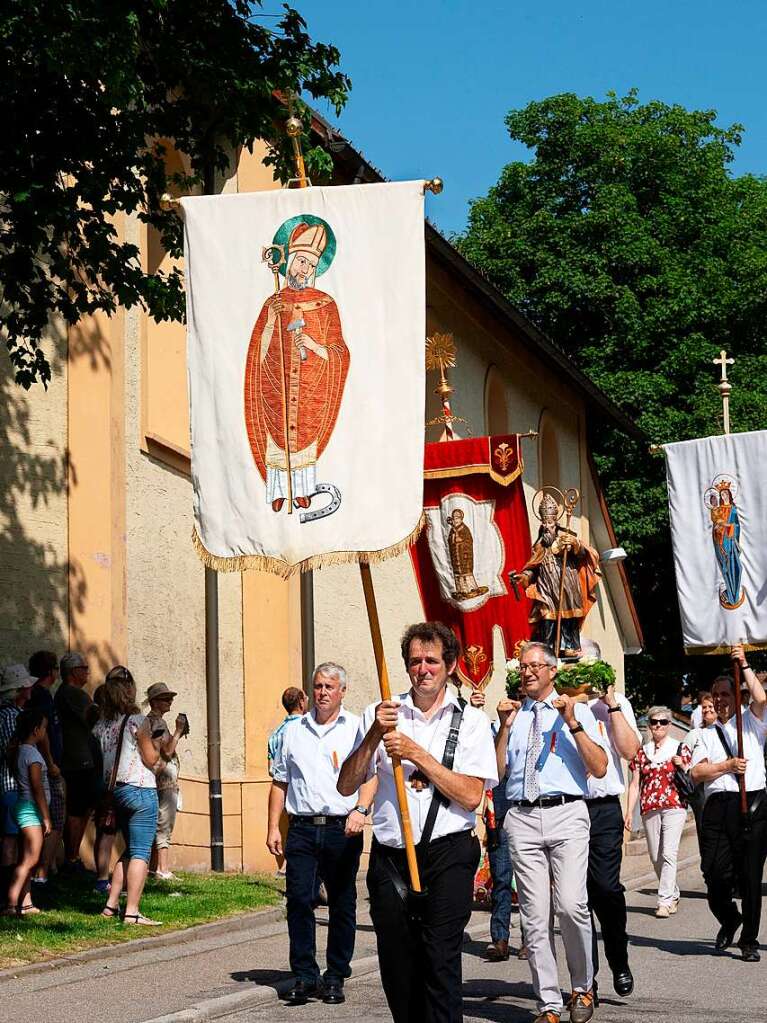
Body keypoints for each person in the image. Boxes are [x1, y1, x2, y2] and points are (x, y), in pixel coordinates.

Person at [339, 622, 498, 1023]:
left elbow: (471, 794)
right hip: (391, 856)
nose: (422, 669)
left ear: (449, 665)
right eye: (414, 661)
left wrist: (417, 753)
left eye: (431, 661)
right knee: (397, 965)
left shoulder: (471, 721)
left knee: (440, 960)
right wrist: (375, 733)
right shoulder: (383, 713)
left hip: (449, 854)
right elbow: (346, 784)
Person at [494, 641, 608, 1023]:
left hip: (566, 812)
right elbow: (495, 772)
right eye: (523, 667)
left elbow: (601, 766)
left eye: (535, 666)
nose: (527, 672)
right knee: (533, 916)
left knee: (572, 906)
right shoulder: (515, 715)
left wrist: (572, 722)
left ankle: (583, 986)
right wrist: (504, 729)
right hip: (523, 817)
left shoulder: (577, 710)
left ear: (552, 671)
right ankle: (549, 1004)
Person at [267, 663, 376, 1007]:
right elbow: (280, 781)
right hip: (300, 827)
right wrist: (273, 826)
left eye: (330, 686)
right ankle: (304, 974)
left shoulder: (356, 727)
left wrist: (361, 810)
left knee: (342, 902)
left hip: (341, 828)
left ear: (343, 690)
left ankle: (335, 975)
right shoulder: (294, 730)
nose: (323, 692)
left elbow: (371, 775)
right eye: (317, 686)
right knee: (299, 899)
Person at [244, 221, 350, 513]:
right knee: (276, 437)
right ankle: (278, 491)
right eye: (301, 261)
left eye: (310, 265)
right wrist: (269, 321)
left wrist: (315, 346)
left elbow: (340, 352)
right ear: (290, 260)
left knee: (304, 438)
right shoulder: (272, 302)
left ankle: (302, 492)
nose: (304, 270)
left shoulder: (326, 305)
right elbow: (256, 353)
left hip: (310, 388)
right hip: (274, 385)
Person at [690, 646, 767, 963]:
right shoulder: (705, 733)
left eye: (725, 693)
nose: (720, 699)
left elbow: (761, 699)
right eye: (715, 695)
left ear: (738, 695)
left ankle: (748, 939)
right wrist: (726, 766)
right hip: (718, 806)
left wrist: (744, 663)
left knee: (750, 876)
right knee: (714, 874)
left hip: (753, 805)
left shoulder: (752, 721)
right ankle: (729, 917)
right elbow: (696, 772)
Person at [584, 651, 641, 1001]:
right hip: (568, 807)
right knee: (574, 901)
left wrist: (611, 704)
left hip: (604, 809)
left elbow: (631, 750)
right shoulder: (556, 704)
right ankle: (585, 981)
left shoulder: (615, 703)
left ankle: (618, 958)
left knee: (605, 890)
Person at [94, 667, 161, 925]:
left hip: (116, 792)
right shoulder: (135, 721)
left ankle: (111, 905)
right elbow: (151, 757)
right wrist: (155, 744)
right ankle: (132, 911)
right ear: (129, 691)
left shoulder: (101, 726)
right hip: (141, 789)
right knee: (142, 852)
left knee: (129, 850)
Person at [511, 493, 600, 657]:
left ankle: (569, 647)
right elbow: (533, 568)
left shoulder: (566, 539)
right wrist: (524, 577)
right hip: (546, 591)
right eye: (544, 522)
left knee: (568, 617)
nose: (546, 526)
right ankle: (547, 649)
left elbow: (582, 555)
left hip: (567, 589)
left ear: (556, 524)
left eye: (550, 523)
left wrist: (575, 544)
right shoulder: (540, 546)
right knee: (547, 617)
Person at [625, 706, 689, 918]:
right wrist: (628, 811)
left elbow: (693, 774)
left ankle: (664, 901)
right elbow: (635, 784)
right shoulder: (642, 752)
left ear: (669, 725)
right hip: (649, 806)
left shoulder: (679, 747)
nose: (658, 725)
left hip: (674, 805)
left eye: (662, 722)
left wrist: (683, 765)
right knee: (655, 855)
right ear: (650, 725)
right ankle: (673, 892)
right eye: (654, 722)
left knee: (669, 853)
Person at [3, 708, 51, 916]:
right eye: (43, 728)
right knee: (30, 859)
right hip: (31, 810)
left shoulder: (21, 750)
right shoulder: (31, 753)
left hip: (23, 807)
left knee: (26, 857)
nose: (44, 732)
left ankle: (25, 903)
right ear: (35, 730)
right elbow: (37, 786)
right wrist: (46, 816)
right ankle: (11, 904)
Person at [55, 652, 99, 869]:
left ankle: (73, 857)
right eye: (84, 668)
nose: (88, 672)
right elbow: (96, 718)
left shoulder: (67, 693)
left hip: (79, 760)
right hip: (78, 761)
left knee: (82, 809)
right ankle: (72, 858)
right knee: (77, 810)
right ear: (74, 671)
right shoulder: (73, 694)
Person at [28, 651, 65, 885]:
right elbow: (42, 733)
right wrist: (50, 762)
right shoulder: (42, 696)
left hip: (40, 764)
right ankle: (41, 873)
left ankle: (46, 868)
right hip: (46, 766)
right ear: (52, 671)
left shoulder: (38, 694)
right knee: (56, 818)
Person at [0, 665, 36, 904]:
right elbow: (12, 751)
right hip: (12, 784)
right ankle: (9, 897)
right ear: (20, 689)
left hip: (8, 785)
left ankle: (21, 898)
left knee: (14, 840)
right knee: (13, 841)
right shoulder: (11, 716)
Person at [145, 682, 187, 880]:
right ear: (154, 701)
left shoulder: (151, 722)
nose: (170, 701)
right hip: (165, 780)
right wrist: (178, 731)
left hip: (158, 779)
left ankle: (155, 867)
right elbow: (167, 751)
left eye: (170, 697)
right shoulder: (158, 723)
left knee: (158, 822)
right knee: (165, 822)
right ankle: (162, 868)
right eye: (165, 698)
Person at [684, 691, 716, 843]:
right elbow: (683, 755)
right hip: (701, 791)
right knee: (705, 833)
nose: (707, 710)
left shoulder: (726, 731)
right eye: (704, 707)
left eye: (711, 706)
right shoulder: (695, 734)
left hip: (720, 787)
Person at [267, 687, 308, 777]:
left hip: (282, 788)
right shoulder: (308, 728)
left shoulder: (275, 734)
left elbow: (271, 770)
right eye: (306, 699)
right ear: (301, 703)